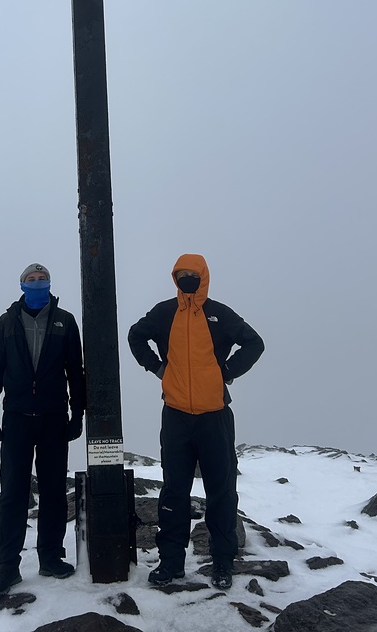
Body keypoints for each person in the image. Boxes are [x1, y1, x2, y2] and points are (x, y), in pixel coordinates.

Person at [128, 253, 264, 590]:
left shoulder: (219, 313)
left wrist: (226, 373)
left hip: (214, 416)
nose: (187, 278)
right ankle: (171, 564)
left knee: (222, 492)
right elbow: (135, 335)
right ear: (175, 277)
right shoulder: (164, 312)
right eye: (181, 274)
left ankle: (222, 564)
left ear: (203, 276)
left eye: (193, 273)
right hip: (176, 416)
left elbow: (254, 343)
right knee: (174, 492)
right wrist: (158, 367)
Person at [0, 262, 86, 598]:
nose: (37, 284)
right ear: (22, 285)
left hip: (53, 418)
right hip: (16, 419)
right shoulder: (7, 322)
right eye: (31, 280)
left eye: (42, 280)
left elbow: (75, 371)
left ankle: (51, 559)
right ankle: (7, 569)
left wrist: (76, 413)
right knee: (13, 494)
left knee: (55, 491)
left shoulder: (65, 321)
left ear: (50, 284)